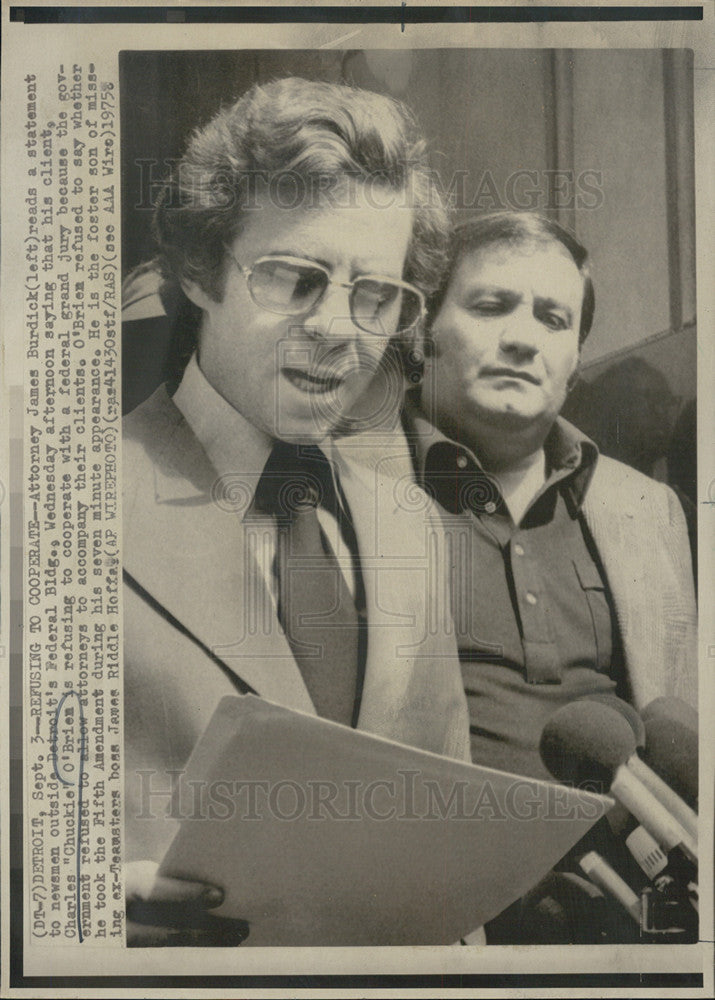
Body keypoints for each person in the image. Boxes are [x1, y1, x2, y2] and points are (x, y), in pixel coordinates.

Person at [122, 77, 470, 945]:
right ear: (202, 271)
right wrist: (76, 913)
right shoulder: (52, 508)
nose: (341, 330)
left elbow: (453, 829)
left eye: (376, 295)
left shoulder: (409, 525)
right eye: (293, 279)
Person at [396, 212, 697, 941]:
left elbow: (682, 718)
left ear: (573, 356)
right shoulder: (344, 482)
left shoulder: (646, 507)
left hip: (631, 917)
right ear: (423, 331)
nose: (524, 339)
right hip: (444, 921)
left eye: (553, 319)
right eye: (491, 306)